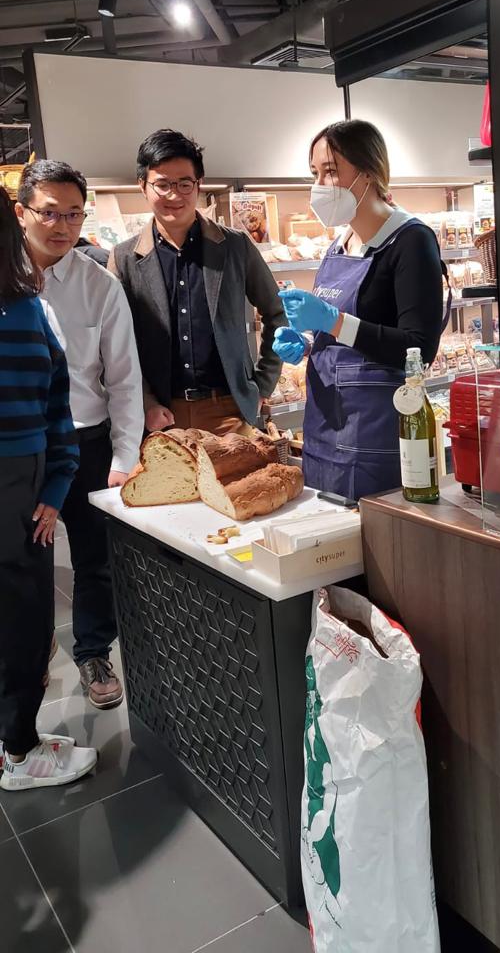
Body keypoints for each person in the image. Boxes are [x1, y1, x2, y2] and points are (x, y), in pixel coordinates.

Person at [16, 161, 144, 711]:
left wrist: (123, 456)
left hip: (88, 444)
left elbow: (123, 379)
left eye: (73, 214)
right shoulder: (5, 282)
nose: (61, 226)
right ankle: (28, 657)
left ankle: (93, 650)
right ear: (22, 213)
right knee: (23, 563)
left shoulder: (100, 287)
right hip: (22, 450)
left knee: (96, 559)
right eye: (48, 213)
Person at [274, 119, 448, 501]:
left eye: (331, 171)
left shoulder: (410, 241)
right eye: (315, 173)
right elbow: (341, 335)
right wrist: (305, 341)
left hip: (374, 439)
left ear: (368, 172)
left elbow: (419, 347)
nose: (320, 184)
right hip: (323, 433)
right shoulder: (339, 245)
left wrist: (332, 321)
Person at [0, 187, 97, 789]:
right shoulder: (28, 307)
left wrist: (59, 482)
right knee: (20, 621)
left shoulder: (30, 308)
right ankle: (17, 752)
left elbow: (58, 404)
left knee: (27, 620)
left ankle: (18, 740)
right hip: (21, 485)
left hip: (24, 487)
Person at [109, 129, 285, 435]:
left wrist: (263, 384)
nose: (174, 195)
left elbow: (277, 313)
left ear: (198, 184)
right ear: (143, 186)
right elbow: (115, 343)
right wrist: (145, 401)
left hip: (230, 411)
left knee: (240, 484)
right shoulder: (124, 259)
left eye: (184, 183)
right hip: (161, 416)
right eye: (162, 185)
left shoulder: (235, 246)